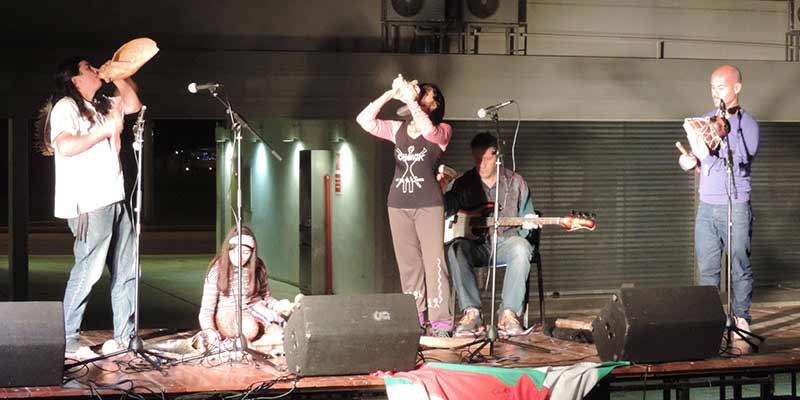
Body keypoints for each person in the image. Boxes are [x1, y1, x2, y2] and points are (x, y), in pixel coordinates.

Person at [45, 57, 142, 358]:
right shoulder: (66, 107)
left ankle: (125, 338)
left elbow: (134, 105)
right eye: (88, 68)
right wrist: (102, 132)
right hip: (88, 201)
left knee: (127, 270)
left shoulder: (102, 104)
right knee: (88, 270)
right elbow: (65, 146)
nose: (94, 69)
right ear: (75, 79)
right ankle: (68, 339)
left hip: (115, 197)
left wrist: (119, 75)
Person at [356, 75, 454, 337]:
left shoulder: (443, 129)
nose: (422, 95)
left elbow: (428, 132)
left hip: (428, 205)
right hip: (397, 204)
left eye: (428, 94)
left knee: (434, 262)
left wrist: (411, 102)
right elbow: (363, 120)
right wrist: (390, 94)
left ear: (436, 105)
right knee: (409, 265)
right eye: (421, 92)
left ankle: (441, 321)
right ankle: (417, 317)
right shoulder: (397, 129)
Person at [679, 65, 759, 338]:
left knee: (739, 264)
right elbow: (699, 160)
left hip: (735, 204)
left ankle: (741, 320)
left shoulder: (747, 124)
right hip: (707, 206)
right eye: (712, 87)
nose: (715, 93)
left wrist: (726, 137)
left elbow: (745, 160)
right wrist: (689, 162)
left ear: (736, 88)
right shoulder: (705, 119)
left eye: (721, 87)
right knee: (708, 268)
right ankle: (710, 322)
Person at [444, 132, 539, 337]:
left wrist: (529, 221)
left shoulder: (515, 182)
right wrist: (440, 189)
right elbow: (445, 211)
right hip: (476, 245)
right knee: (456, 248)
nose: (482, 164)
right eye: (477, 159)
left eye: (487, 159)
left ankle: (508, 314)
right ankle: (472, 313)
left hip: (506, 242)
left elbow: (526, 217)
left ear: (497, 157)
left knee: (522, 248)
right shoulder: (463, 183)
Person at [197, 226, 296, 351]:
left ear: (252, 252)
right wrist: (209, 331)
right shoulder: (217, 270)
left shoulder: (258, 266)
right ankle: (248, 345)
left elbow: (266, 297)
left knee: (284, 336)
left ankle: (250, 347)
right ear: (228, 249)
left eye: (246, 253)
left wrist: (279, 306)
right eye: (236, 251)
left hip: (256, 311)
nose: (240, 257)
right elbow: (206, 310)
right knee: (249, 328)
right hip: (228, 314)